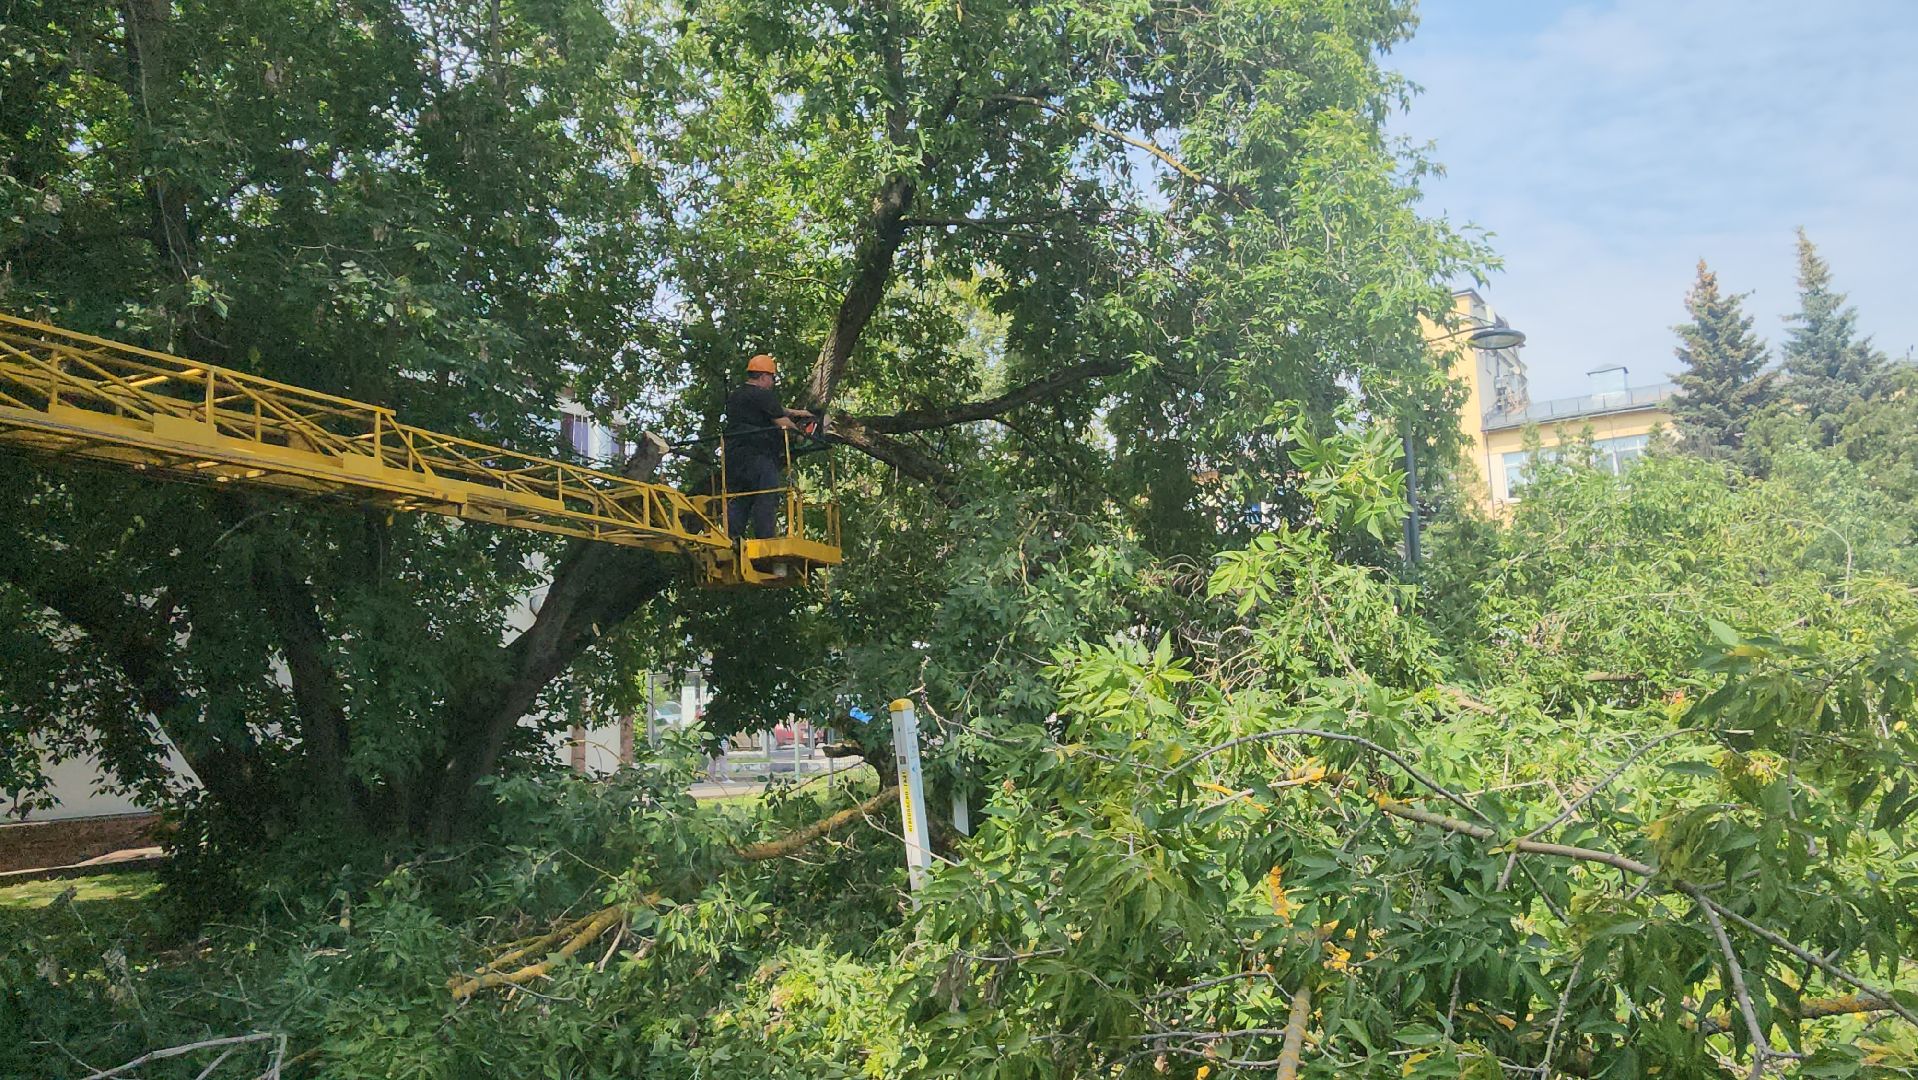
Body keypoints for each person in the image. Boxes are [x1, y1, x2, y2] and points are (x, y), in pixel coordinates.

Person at [723, 353, 814, 540]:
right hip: (758, 455)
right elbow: (783, 422)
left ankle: (732, 538)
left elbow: (776, 409)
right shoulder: (763, 395)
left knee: (740, 497)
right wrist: (801, 434)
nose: (772, 383)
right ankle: (765, 539)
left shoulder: (736, 396)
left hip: (733, 456)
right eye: (772, 378)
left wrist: (799, 412)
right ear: (764, 376)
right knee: (767, 495)